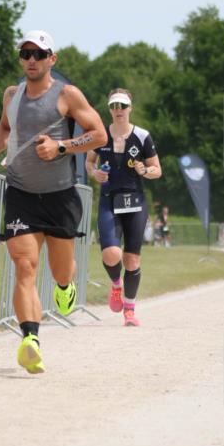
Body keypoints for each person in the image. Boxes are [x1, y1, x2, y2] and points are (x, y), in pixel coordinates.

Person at [0, 30, 106, 374]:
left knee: (60, 271)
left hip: (60, 196)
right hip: (20, 193)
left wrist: (61, 147)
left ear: (52, 59)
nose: (31, 59)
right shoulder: (12, 95)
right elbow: (4, 127)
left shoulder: (67, 95)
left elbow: (100, 134)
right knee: (24, 266)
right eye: (26, 53)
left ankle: (65, 287)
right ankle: (30, 340)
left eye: (38, 53)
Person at [86, 88, 162, 327]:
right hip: (109, 199)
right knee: (111, 253)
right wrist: (94, 173)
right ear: (109, 109)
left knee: (132, 259)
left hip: (135, 201)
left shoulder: (142, 136)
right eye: (113, 106)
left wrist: (145, 170)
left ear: (130, 108)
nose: (118, 110)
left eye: (122, 105)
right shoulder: (100, 135)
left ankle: (129, 310)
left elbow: (157, 169)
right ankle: (116, 285)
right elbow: (89, 162)